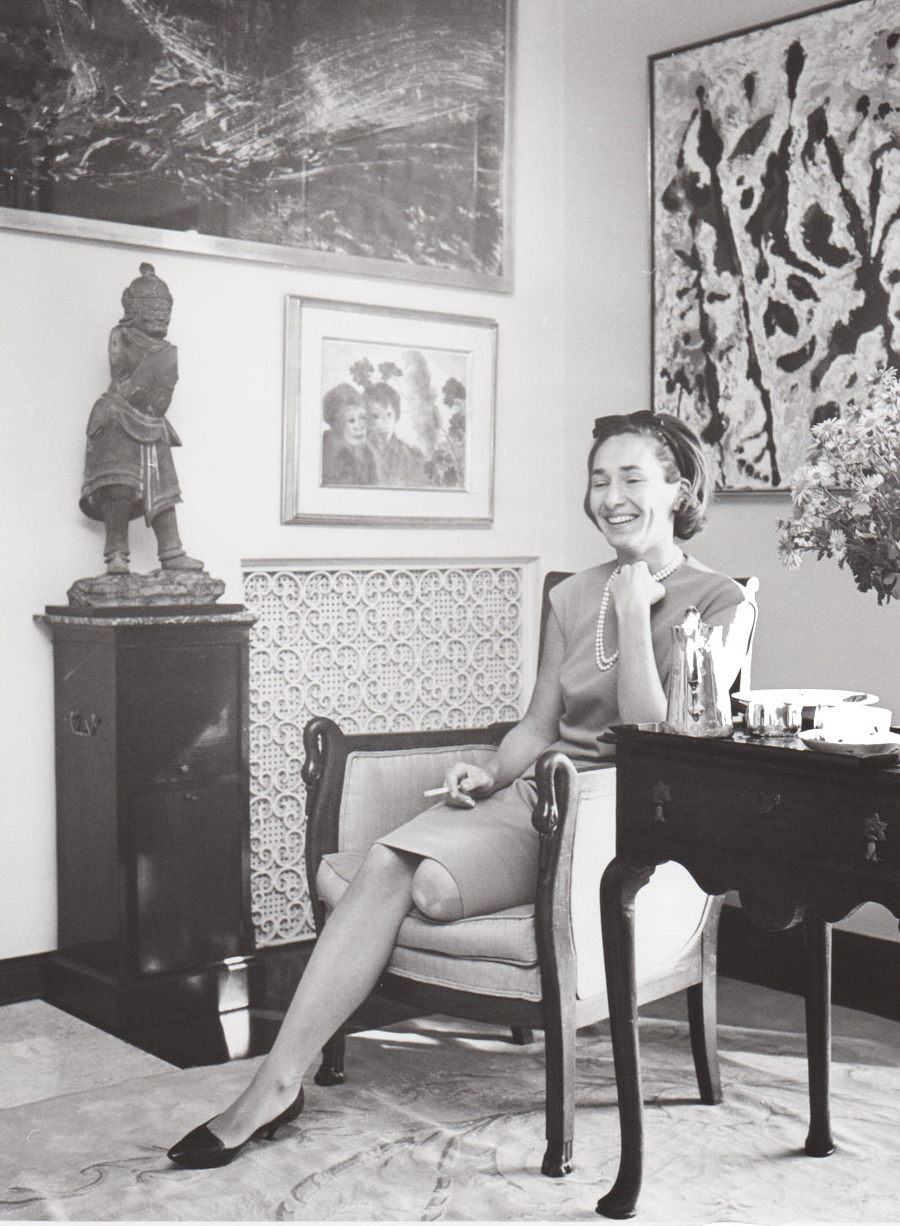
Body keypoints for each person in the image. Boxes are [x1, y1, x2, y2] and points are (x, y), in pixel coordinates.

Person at [167, 408, 753, 1170]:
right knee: (394, 864)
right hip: (536, 799)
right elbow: (538, 723)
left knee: (435, 888)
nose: (611, 497)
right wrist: (494, 771)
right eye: (599, 479)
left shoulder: (720, 600)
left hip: (614, 819)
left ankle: (280, 1080)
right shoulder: (573, 594)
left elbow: (655, 738)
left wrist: (638, 614)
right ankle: (276, 1084)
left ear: (678, 488)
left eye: (632, 478)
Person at [79, 262, 203, 574]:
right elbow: (122, 372)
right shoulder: (121, 337)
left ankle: (172, 551)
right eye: (153, 307)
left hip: (152, 423)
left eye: (165, 309)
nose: (162, 315)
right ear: (135, 308)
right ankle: (116, 554)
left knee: (164, 489)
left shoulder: (167, 349)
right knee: (118, 486)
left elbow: (161, 394)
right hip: (117, 417)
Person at [363, 380, 427, 487]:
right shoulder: (359, 453)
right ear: (366, 419)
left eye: (389, 415)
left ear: (396, 416)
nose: (384, 423)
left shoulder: (411, 455)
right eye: (376, 416)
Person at [321, 382, 377, 487]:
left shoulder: (368, 454)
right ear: (337, 425)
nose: (360, 426)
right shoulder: (327, 453)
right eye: (351, 420)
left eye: (363, 417)